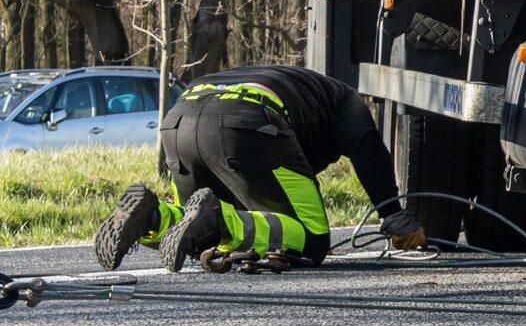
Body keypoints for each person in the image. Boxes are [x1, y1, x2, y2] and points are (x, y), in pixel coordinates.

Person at [91, 64, 426, 272]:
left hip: (179, 120)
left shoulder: (298, 86)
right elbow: (369, 149)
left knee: (199, 238)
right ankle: (218, 218)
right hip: (246, 121)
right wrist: (393, 216)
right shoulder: (345, 99)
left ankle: (152, 216)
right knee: (311, 239)